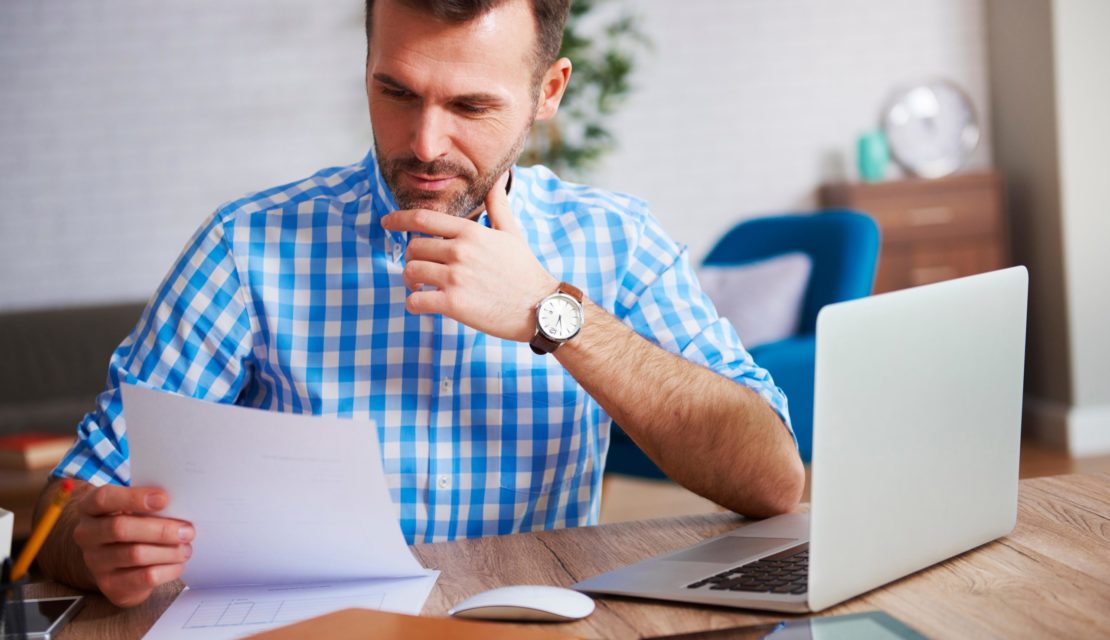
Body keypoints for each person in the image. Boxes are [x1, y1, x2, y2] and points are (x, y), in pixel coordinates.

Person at [35, 0, 804, 608]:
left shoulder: (618, 242)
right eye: (395, 91)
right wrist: (96, 547)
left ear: (550, 92)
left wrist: (551, 313)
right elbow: (65, 505)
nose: (425, 143)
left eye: (470, 106)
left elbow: (773, 479)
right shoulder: (246, 247)